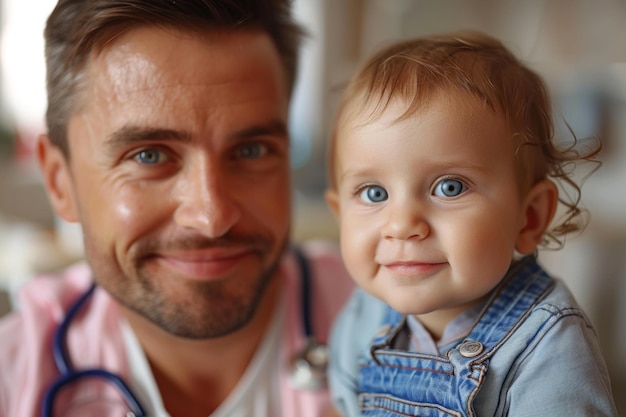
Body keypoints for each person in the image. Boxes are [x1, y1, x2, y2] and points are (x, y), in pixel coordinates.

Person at [0, 1, 354, 416]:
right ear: (60, 181)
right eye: (149, 156)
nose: (211, 217)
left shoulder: (418, 326)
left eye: (251, 150)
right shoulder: (11, 377)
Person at [324, 31, 618, 416]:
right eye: (374, 193)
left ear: (528, 218)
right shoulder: (363, 316)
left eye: (449, 187)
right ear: (340, 214)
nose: (402, 225)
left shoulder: (546, 341)